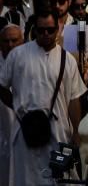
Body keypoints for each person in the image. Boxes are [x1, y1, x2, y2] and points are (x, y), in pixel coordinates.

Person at [0, 10, 86, 186]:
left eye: (50, 29)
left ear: (58, 28)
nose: (46, 34)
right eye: (41, 30)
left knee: (60, 179)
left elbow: (73, 99)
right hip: (25, 133)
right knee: (26, 179)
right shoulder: (17, 55)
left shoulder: (67, 59)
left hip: (58, 132)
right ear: (34, 30)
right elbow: (1, 86)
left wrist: (76, 131)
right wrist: (18, 108)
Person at [0, 25, 23, 186]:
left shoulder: (31, 62)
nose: (10, 45)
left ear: (22, 42)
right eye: (6, 41)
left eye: (14, 41)